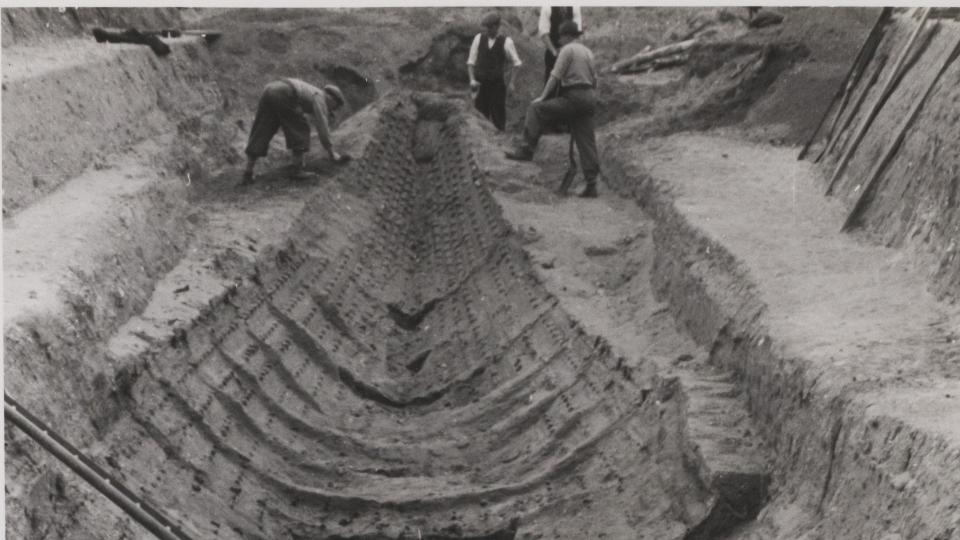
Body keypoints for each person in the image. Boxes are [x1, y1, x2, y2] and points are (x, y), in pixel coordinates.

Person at [505, 20, 600, 199]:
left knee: (536, 109)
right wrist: (587, 100)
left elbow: (554, 76)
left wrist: (542, 97)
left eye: (561, 37)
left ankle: (526, 149)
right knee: (586, 140)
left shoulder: (567, 50)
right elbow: (595, 81)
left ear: (567, 36)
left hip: (574, 96)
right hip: (589, 98)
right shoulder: (588, 52)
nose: (560, 41)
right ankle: (592, 184)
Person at [241, 78, 346, 185]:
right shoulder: (321, 98)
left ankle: (248, 172)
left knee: (262, 129)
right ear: (331, 98)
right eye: (336, 107)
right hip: (285, 92)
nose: (333, 110)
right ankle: (297, 170)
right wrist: (331, 152)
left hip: (270, 89)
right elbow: (322, 127)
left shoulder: (312, 92)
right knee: (301, 128)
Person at [467, 11, 523, 131]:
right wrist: (472, 79)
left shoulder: (506, 42)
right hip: (480, 85)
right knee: (480, 117)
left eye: (489, 28)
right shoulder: (478, 38)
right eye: (485, 27)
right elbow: (471, 62)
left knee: (498, 117)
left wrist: (512, 83)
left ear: (496, 27)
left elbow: (517, 63)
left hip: (496, 86)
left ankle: (500, 143)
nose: (486, 30)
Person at [538, 6, 583, 84]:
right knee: (551, 82)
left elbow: (577, 32)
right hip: (553, 51)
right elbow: (543, 33)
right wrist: (554, 52)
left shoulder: (575, 7)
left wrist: (568, 50)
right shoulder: (547, 7)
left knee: (571, 83)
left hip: (571, 51)